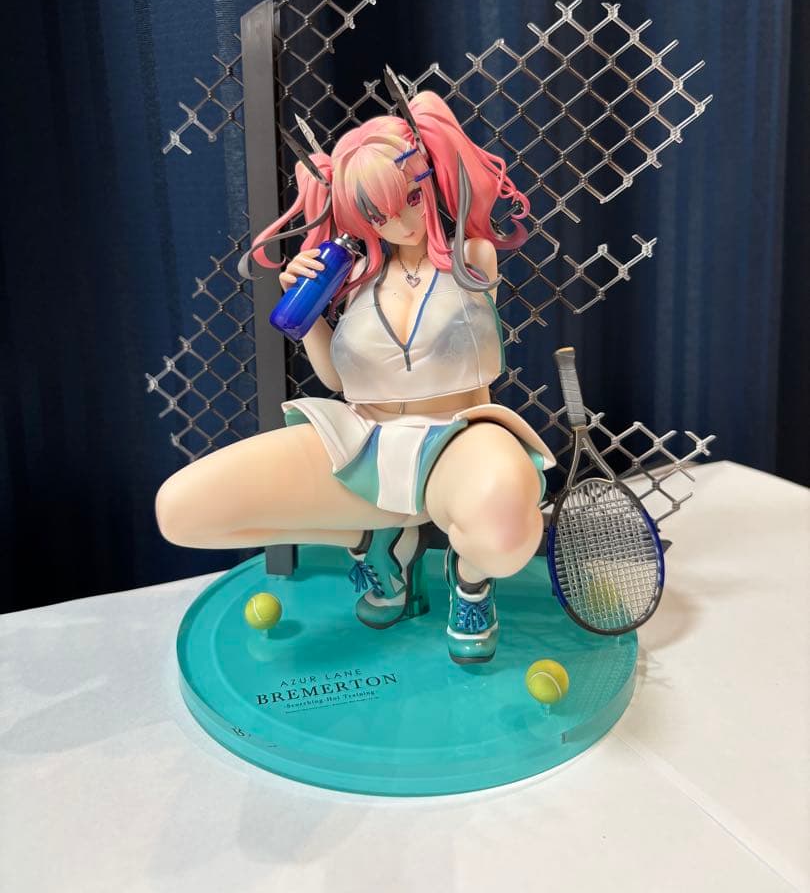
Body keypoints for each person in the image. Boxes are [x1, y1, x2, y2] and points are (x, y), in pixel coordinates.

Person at [155, 86, 556, 665]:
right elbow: (334, 380)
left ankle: (470, 581)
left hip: (458, 438)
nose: (399, 222)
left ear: (429, 181)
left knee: (503, 535)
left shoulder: (472, 259)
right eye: (376, 213)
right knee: (182, 509)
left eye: (409, 197)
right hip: (366, 439)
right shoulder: (354, 280)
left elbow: (455, 195)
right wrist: (307, 306)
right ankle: (378, 542)